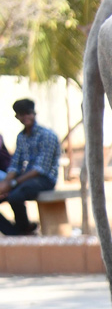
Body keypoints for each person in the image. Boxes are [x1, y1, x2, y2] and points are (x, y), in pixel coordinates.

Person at [0, 99, 61, 236]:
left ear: (34, 113)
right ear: (17, 117)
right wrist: (5, 183)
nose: (25, 117)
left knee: (15, 196)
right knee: (12, 194)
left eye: (28, 113)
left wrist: (13, 183)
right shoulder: (21, 137)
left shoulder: (47, 135)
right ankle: (16, 233)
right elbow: (15, 165)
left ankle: (24, 229)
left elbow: (40, 169)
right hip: (25, 180)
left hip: (45, 180)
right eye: (22, 114)